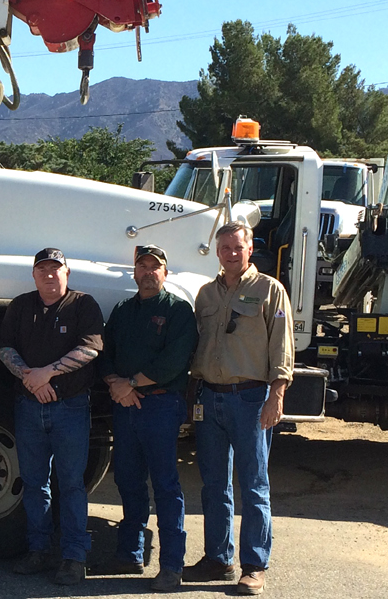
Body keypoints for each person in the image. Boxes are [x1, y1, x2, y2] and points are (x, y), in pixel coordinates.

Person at [184, 224, 295, 596]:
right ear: (217, 252)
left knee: (253, 485)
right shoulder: (205, 294)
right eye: (225, 247)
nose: (231, 253)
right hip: (209, 397)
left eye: (238, 247)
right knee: (214, 484)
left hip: (249, 399)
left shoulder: (269, 291)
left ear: (250, 250)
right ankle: (217, 558)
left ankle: (254, 566)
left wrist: (277, 394)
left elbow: (282, 347)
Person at [94, 244, 199, 591]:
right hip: (125, 406)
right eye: (142, 266)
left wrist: (132, 383)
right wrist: (115, 384)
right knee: (127, 480)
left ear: (165, 273)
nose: (149, 272)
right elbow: (104, 352)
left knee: (165, 486)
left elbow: (175, 359)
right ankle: (129, 553)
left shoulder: (178, 310)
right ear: (134, 272)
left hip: (160, 405)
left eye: (156, 267)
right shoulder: (123, 311)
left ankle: (171, 565)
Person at [0, 247, 105, 585]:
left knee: (72, 485)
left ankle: (74, 557)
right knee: (34, 484)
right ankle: (38, 550)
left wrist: (48, 374)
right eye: (42, 269)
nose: (49, 274)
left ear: (67, 273)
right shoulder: (21, 305)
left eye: (55, 269)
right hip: (29, 406)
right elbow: (5, 349)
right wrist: (30, 377)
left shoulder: (82, 304)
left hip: (70, 407)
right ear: (33, 275)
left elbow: (90, 349)